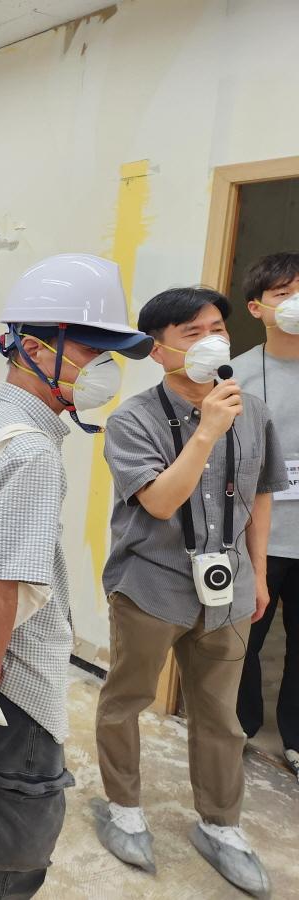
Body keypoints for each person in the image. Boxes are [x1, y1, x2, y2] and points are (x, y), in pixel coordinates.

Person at [0, 254, 154, 900]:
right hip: (11, 684)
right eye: (96, 349)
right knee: (12, 836)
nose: (108, 369)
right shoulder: (29, 451)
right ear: (35, 349)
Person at [93, 287, 286, 898]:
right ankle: (123, 806)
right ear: (159, 350)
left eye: (217, 330)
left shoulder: (252, 410)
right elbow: (158, 501)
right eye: (193, 334)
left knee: (221, 716)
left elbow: (260, 493)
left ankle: (221, 825)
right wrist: (206, 431)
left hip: (229, 587)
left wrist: (258, 573)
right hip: (151, 584)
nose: (212, 343)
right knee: (127, 698)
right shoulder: (132, 420)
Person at [234, 252, 299, 783]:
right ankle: (240, 729)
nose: (296, 302)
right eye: (283, 293)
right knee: (245, 642)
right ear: (258, 308)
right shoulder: (237, 374)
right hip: (257, 537)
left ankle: (297, 741)